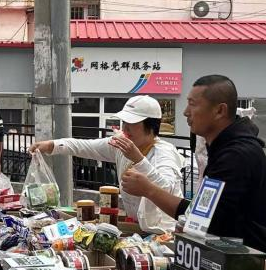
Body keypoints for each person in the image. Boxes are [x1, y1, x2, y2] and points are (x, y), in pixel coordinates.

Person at [121, 75, 266, 261]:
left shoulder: (237, 155)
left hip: (262, 264)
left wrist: (148, 189)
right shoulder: (222, 148)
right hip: (239, 259)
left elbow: (205, 219)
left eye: (193, 104)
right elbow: (200, 214)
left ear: (220, 110)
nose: (186, 112)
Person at [30, 96, 184, 233]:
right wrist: (51, 145)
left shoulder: (164, 153)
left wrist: (138, 159)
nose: (125, 128)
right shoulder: (122, 145)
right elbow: (86, 146)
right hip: (137, 227)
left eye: (132, 123)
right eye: (124, 122)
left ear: (150, 126)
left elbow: (167, 190)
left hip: (164, 232)